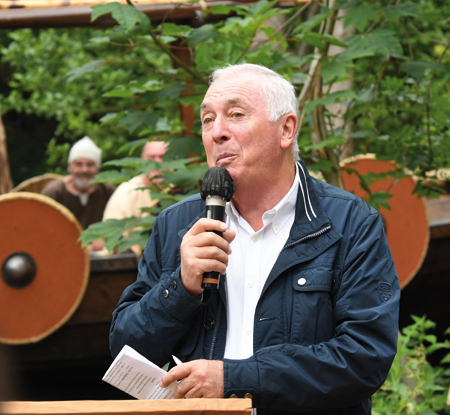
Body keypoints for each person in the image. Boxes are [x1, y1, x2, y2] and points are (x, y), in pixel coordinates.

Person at [110, 64, 400, 415]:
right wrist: (181, 287)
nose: (217, 132)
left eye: (235, 114)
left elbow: (365, 357)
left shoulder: (349, 223)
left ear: (286, 130)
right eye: (207, 120)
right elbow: (125, 351)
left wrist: (235, 379)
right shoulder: (177, 224)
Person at [41, 136, 115, 250]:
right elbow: (40, 225)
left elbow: (118, 223)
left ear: (97, 169)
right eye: (78, 164)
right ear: (70, 167)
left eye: (90, 165)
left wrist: (106, 237)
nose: (84, 170)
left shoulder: (107, 191)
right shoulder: (54, 191)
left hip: (99, 255)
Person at [102, 140, 168, 255]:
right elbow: (111, 234)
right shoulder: (126, 192)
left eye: (162, 157)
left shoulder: (182, 190)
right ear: (142, 159)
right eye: (152, 157)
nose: (158, 162)